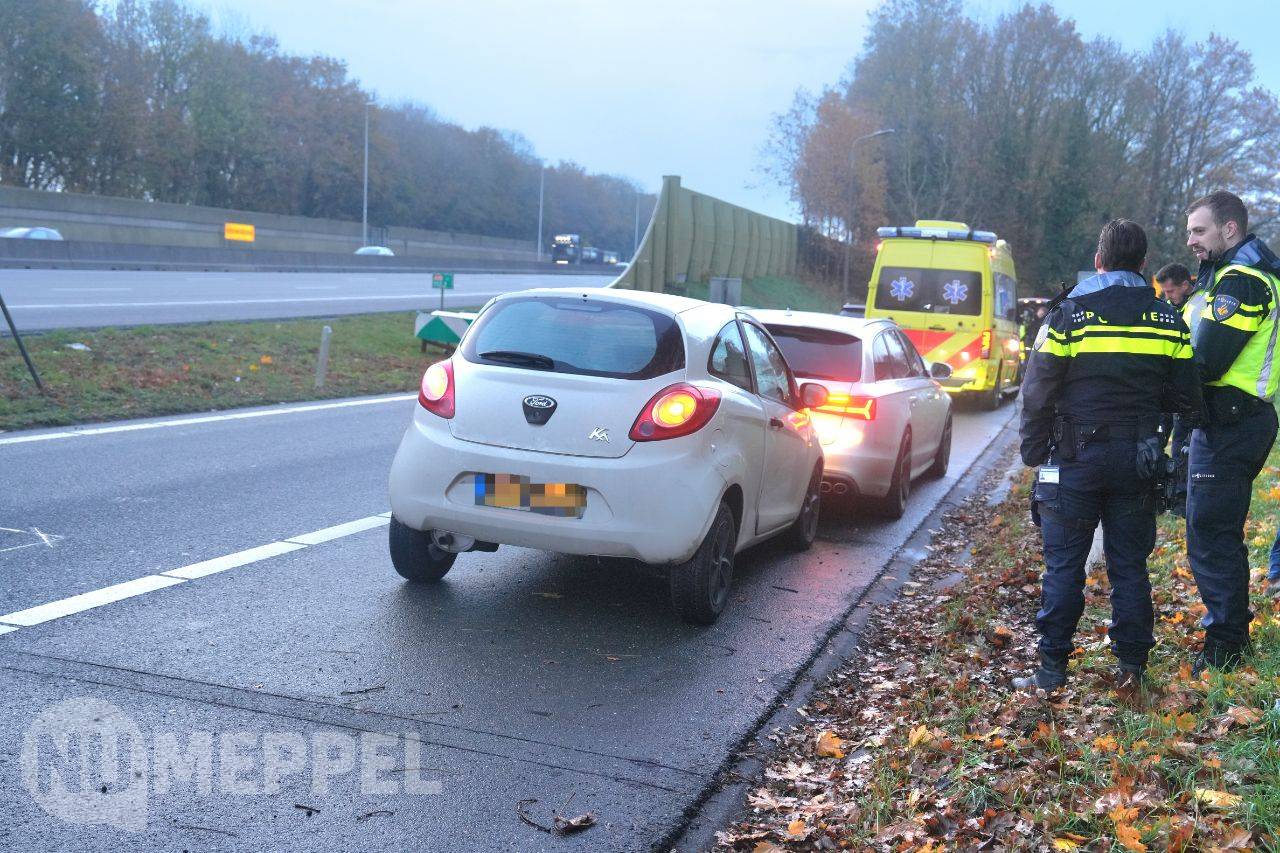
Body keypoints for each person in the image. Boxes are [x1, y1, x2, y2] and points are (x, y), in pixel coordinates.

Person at [1016, 219, 1201, 695]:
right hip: (1137, 462)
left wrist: (1035, 450)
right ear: (1144, 265)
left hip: (1074, 461)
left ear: (1098, 262)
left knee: (1064, 566)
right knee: (1129, 568)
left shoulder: (1068, 315)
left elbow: (1037, 392)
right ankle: (1131, 669)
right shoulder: (1169, 320)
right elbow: (1187, 400)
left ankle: (1052, 671)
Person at [1183, 190, 1280, 673]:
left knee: (1212, 535)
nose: (1190, 241)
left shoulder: (1240, 283)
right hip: (1233, 419)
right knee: (1214, 531)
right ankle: (1229, 627)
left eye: (1198, 231)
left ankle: (1226, 647)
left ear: (1230, 229)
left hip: (1230, 419)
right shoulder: (1228, 277)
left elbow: (1204, 361)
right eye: (1188, 232)